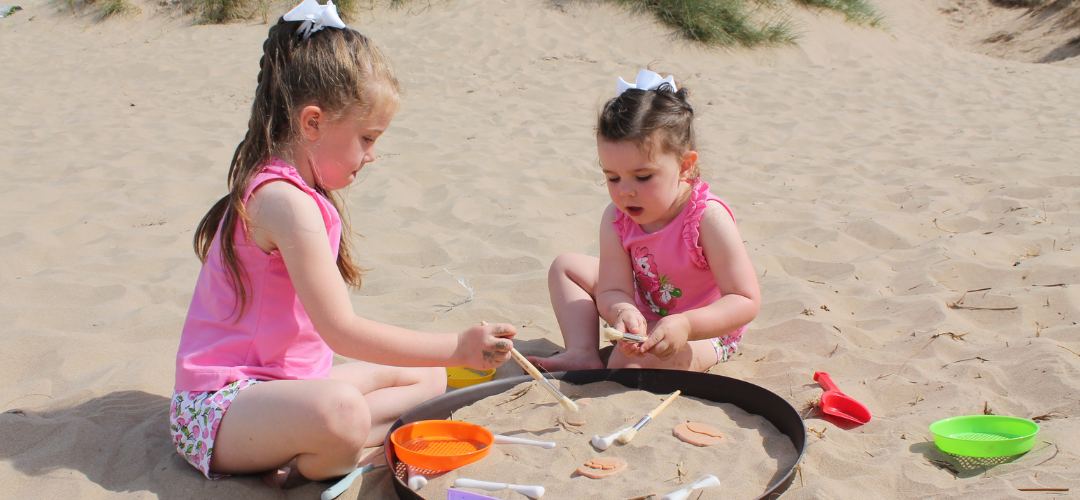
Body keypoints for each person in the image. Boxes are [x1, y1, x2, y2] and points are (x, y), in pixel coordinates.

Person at [169, 0, 516, 486]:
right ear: (312, 123)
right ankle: (316, 459)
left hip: (290, 390)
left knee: (430, 377)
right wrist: (459, 346)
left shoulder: (302, 192)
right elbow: (341, 331)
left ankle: (318, 446)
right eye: (367, 138)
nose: (372, 155)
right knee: (345, 413)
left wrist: (448, 358)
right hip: (218, 409)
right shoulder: (283, 202)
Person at [530, 70, 760, 373]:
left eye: (643, 176)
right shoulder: (618, 216)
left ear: (684, 166)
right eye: (612, 177)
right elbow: (613, 288)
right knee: (566, 267)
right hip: (643, 309)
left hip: (703, 330)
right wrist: (622, 310)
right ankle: (582, 351)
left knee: (628, 362)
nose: (625, 191)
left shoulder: (707, 217)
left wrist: (686, 325)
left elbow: (744, 299)